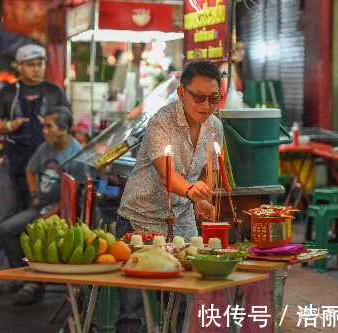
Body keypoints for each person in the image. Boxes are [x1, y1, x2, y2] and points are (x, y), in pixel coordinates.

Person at [116, 60, 223, 331]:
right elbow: (166, 174)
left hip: (180, 219)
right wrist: (189, 191)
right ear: (181, 93)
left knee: (180, 300)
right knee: (133, 305)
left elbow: (209, 172)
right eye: (199, 97)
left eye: (214, 98)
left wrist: (201, 198)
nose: (206, 106)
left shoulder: (215, 127)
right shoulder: (160, 122)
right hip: (139, 218)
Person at [0, 44, 70, 283]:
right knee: (3, 217)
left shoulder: (54, 91)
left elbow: (67, 120)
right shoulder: (9, 92)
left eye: (40, 64)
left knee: (35, 220)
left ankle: (34, 273)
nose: (36, 69)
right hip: (13, 162)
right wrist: (10, 126)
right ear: (19, 66)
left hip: (45, 166)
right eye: (31, 65)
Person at [0, 106, 86, 304]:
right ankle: (22, 275)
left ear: (64, 129)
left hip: (62, 211)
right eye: (44, 126)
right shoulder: (46, 147)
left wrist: (48, 214)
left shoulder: (77, 154)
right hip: (41, 206)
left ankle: (33, 284)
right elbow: (30, 169)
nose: (44, 130)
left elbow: (74, 193)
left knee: (34, 231)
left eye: (49, 126)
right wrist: (35, 194)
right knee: (5, 229)